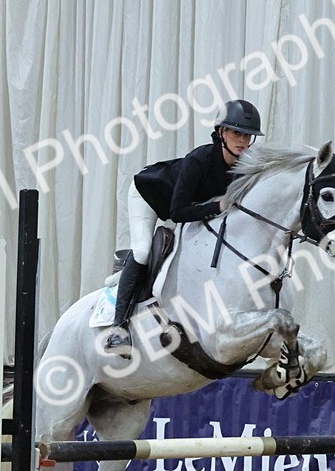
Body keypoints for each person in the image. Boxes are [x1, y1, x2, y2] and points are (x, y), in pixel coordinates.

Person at [104, 99, 264, 357]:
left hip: (184, 205)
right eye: (236, 132)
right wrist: (219, 207)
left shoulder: (242, 168)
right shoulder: (199, 160)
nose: (243, 141)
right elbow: (178, 213)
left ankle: (124, 273)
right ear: (221, 132)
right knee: (144, 251)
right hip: (150, 196)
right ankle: (117, 329)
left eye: (248, 135)